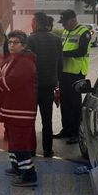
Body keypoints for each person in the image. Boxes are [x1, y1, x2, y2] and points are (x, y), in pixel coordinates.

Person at [0, 30, 38, 187]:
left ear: (23, 45)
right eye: (10, 42)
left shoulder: (25, 62)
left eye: (16, 42)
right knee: (14, 140)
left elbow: (12, 82)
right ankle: (17, 167)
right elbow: (4, 76)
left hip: (21, 109)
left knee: (20, 141)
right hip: (11, 109)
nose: (11, 45)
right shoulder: (13, 59)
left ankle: (29, 175)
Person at [27, 12, 62, 157]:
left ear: (36, 23)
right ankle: (48, 150)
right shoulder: (56, 39)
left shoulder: (31, 39)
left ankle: (31, 151)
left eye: (32, 22)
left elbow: (28, 64)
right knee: (47, 120)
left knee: (31, 119)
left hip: (33, 86)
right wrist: (56, 81)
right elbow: (60, 64)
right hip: (49, 84)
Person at [54, 10, 91, 144]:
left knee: (75, 104)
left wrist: (61, 54)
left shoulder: (84, 32)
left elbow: (81, 51)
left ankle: (76, 132)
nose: (63, 26)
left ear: (73, 20)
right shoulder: (65, 32)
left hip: (77, 73)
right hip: (65, 72)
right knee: (64, 102)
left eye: (65, 23)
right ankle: (66, 129)